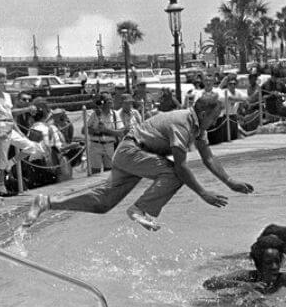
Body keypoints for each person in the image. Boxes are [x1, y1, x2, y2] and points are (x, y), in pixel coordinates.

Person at [23, 92, 254, 231]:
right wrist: (204, 194)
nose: (216, 121)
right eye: (215, 116)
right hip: (132, 151)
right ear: (203, 113)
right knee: (174, 173)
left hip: (135, 154)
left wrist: (229, 181)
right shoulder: (182, 123)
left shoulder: (198, 127)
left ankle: (46, 202)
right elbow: (182, 167)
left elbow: (209, 157)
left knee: (103, 204)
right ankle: (140, 209)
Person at [0, 73, 43, 195]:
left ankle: (11, 164)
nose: (3, 84)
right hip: (0, 127)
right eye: (1, 82)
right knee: (1, 161)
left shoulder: (7, 96)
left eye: (4, 81)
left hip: (10, 127)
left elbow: (10, 115)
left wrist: (20, 132)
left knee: (32, 147)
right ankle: (1, 187)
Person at [203, 235, 286, 294]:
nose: (275, 267)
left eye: (277, 261)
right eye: (268, 263)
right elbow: (208, 284)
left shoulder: (284, 279)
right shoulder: (247, 277)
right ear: (259, 264)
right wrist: (245, 285)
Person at [85, 92, 123, 174]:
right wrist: (96, 130)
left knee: (108, 171)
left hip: (109, 145)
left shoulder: (115, 114)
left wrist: (106, 130)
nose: (110, 102)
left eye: (111, 99)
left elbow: (120, 133)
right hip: (96, 145)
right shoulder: (94, 114)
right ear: (103, 102)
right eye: (107, 100)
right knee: (95, 171)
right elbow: (85, 130)